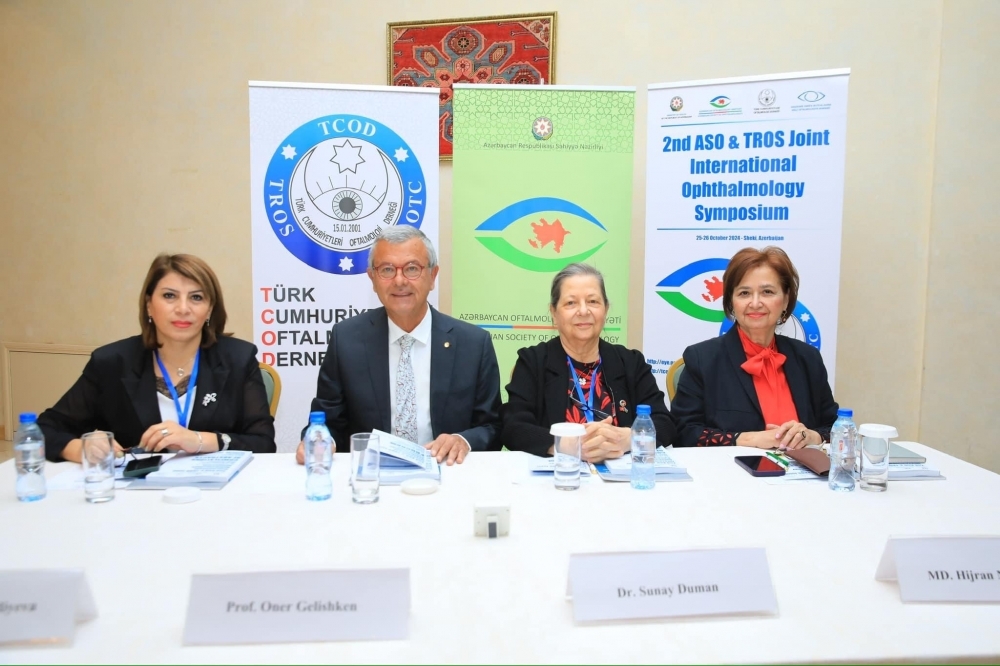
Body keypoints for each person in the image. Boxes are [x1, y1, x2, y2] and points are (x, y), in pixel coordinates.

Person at [38, 254, 276, 461]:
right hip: (135, 492)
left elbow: (263, 443)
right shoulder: (111, 363)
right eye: (170, 296)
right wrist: (81, 448)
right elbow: (44, 430)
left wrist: (198, 440)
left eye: (196, 297)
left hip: (216, 492)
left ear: (210, 310)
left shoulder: (238, 359)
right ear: (149, 305)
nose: (183, 308)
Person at [296, 226, 501, 465]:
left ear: (433, 276)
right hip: (372, 474)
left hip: (446, 471)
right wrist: (321, 440)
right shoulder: (347, 340)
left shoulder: (473, 344)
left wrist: (462, 440)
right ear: (372, 279)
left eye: (412, 268)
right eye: (387, 270)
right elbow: (327, 421)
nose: (400, 281)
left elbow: (494, 426)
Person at [500, 263, 676, 461]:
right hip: (561, 474)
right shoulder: (533, 361)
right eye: (571, 303)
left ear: (606, 309)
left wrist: (629, 439)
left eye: (593, 301)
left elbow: (665, 422)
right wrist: (568, 445)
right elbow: (513, 427)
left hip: (621, 475)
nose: (583, 311)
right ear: (554, 312)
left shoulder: (630, 362)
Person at [671, 246, 838, 448]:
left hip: (801, 467)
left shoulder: (808, 358)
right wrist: (747, 439)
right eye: (744, 293)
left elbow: (836, 428)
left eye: (767, 292)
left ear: (786, 300)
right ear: (731, 302)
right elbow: (683, 432)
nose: (755, 303)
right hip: (732, 467)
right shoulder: (702, 358)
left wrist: (813, 437)